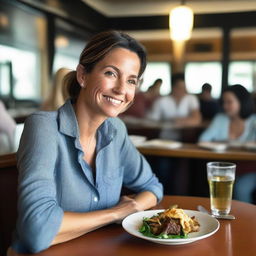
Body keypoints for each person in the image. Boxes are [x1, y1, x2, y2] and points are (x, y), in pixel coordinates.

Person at [9, 31, 163, 254]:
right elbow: (37, 232)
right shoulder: (43, 127)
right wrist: (116, 213)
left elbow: (153, 187)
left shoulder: (116, 130)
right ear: (83, 75)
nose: (121, 89)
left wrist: (135, 206)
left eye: (131, 80)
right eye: (111, 73)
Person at [199, 84, 256, 204]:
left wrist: (226, 143)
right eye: (223, 102)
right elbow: (203, 140)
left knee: (241, 188)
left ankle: (246, 220)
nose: (225, 106)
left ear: (242, 102)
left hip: (251, 169)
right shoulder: (221, 118)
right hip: (224, 168)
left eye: (229, 102)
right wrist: (242, 144)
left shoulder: (253, 120)